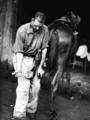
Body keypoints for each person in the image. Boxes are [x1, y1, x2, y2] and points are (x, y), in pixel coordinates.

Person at [11, 12, 49, 120]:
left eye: (39, 26)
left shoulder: (45, 29)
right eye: (35, 25)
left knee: (36, 87)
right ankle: (19, 114)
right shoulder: (22, 30)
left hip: (35, 59)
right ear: (32, 19)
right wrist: (18, 69)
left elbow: (45, 48)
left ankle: (31, 110)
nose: (37, 28)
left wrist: (41, 67)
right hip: (22, 58)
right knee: (24, 87)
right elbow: (19, 52)